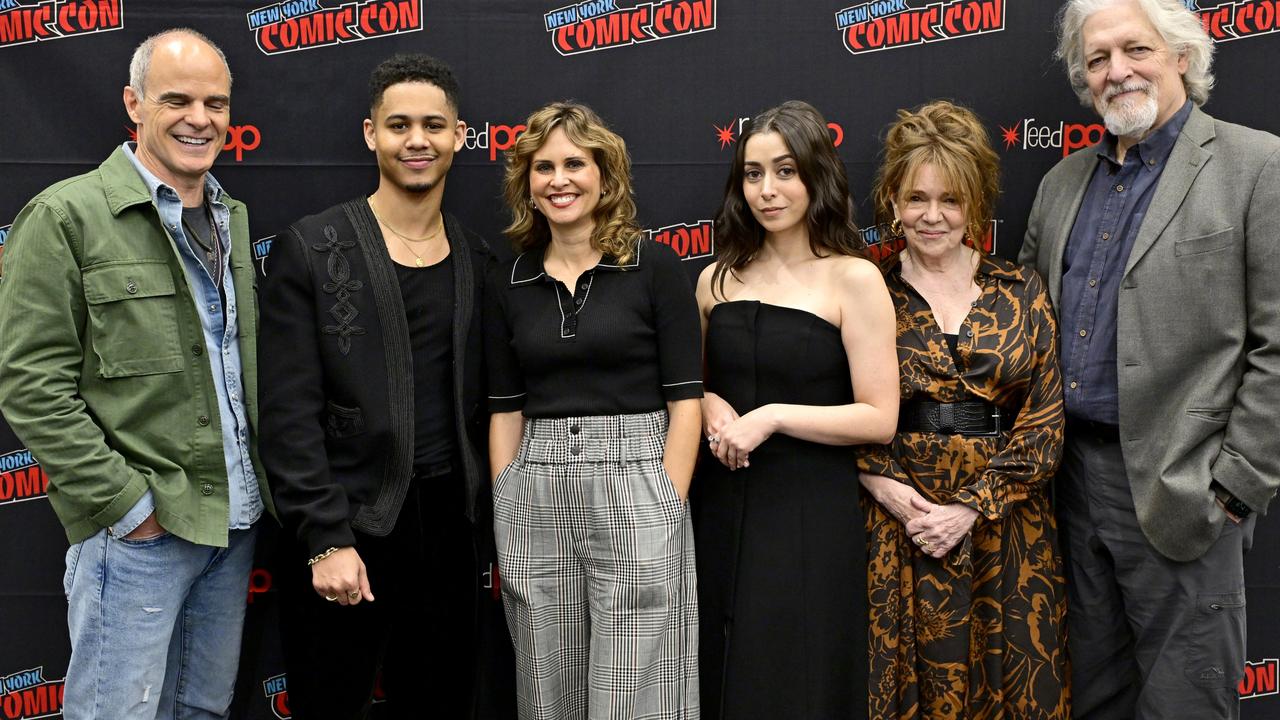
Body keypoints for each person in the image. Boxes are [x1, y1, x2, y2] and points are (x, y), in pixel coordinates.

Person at [0, 29, 271, 719]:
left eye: (215, 103)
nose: (199, 118)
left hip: (233, 527)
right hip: (140, 535)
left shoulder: (231, 217)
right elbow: (31, 383)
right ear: (134, 102)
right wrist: (128, 506)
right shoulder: (67, 215)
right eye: (176, 99)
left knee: (200, 711)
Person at [1020, 0, 1280, 716]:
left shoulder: (1256, 165)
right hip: (1070, 488)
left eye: (1135, 49)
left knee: (1186, 704)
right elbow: (1024, 327)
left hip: (1182, 490)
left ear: (1183, 57)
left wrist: (1235, 484)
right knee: (1094, 697)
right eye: (1097, 59)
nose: (1117, 71)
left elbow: (1277, 345)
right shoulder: (1062, 183)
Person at [258, 54, 500, 719]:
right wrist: (326, 538)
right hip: (348, 526)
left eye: (432, 125)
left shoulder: (477, 256)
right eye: (398, 125)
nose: (416, 140)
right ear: (371, 134)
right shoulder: (313, 247)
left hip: (450, 531)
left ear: (459, 136)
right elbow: (286, 415)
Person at [485, 101, 702, 720]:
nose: (560, 180)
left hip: (638, 475)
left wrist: (668, 499)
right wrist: (506, 500)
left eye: (576, 163)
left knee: (639, 682)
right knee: (544, 673)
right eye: (544, 166)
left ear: (605, 175)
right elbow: (505, 409)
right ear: (526, 182)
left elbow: (686, 400)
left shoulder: (654, 266)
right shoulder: (510, 280)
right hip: (538, 480)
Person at [861, 100, 1069, 719]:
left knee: (1014, 681)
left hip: (1006, 528)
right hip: (897, 524)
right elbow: (840, 400)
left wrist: (971, 507)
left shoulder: (1020, 288)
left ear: (975, 204)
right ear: (893, 201)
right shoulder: (864, 287)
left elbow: (1046, 419)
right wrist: (893, 492)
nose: (932, 217)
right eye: (916, 198)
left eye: (950, 200)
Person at [692, 100, 898, 719]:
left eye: (784, 171)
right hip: (720, 504)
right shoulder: (713, 281)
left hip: (808, 509)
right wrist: (706, 402)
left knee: (795, 676)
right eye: (753, 174)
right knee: (717, 669)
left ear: (816, 176)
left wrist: (773, 416)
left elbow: (879, 416)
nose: (767, 190)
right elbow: (686, 388)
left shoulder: (853, 279)